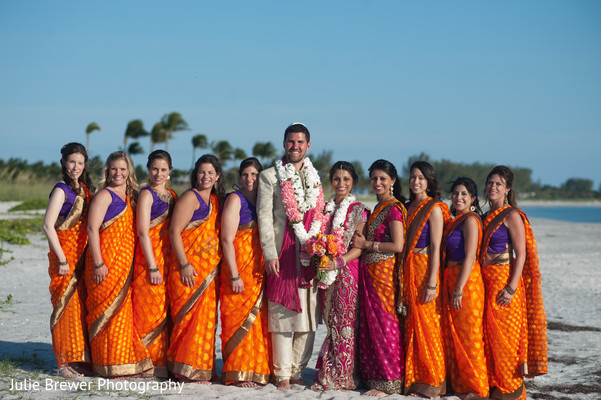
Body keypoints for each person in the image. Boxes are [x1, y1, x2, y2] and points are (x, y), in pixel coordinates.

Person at [257, 122, 324, 390]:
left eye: (300, 142)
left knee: (308, 315)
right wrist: (269, 253)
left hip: (309, 252)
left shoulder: (315, 177)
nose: (295, 146)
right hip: (282, 253)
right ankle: (282, 373)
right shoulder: (269, 176)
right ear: (284, 143)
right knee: (282, 314)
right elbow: (264, 216)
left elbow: (319, 213)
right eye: (290, 141)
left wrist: (319, 246)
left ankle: (297, 370)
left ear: (308, 146)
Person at [480, 166, 547, 400]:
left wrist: (511, 287)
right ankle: (493, 385)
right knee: (487, 338)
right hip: (484, 282)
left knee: (506, 341)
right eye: (490, 183)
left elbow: (522, 253)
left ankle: (510, 391)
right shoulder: (484, 216)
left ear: (507, 189)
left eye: (498, 184)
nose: (493, 187)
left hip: (504, 284)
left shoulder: (512, 215)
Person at [85, 151, 152, 377]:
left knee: (122, 315)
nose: (118, 173)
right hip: (104, 264)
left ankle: (121, 361)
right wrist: (97, 263)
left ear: (129, 172)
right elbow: (92, 229)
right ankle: (106, 364)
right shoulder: (105, 195)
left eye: (123, 169)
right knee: (105, 314)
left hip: (124, 267)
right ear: (107, 171)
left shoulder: (130, 197)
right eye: (114, 169)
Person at [312, 161, 369, 391]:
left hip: (347, 272)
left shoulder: (359, 210)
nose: (341, 183)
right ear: (331, 181)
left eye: (346, 179)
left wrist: (339, 261)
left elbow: (358, 247)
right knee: (330, 322)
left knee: (345, 323)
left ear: (353, 181)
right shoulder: (324, 208)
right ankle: (330, 369)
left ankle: (345, 374)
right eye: (337, 179)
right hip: (325, 271)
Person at [167, 154, 224, 383]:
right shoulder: (190, 197)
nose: (206, 177)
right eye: (202, 172)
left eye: (211, 173)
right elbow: (174, 232)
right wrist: (184, 264)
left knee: (205, 321)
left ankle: (200, 369)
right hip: (187, 271)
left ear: (217, 176)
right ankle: (184, 370)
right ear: (195, 174)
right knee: (187, 320)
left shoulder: (216, 201)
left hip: (208, 274)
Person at [352, 159, 406, 397]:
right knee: (371, 327)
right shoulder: (375, 209)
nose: (377, 182)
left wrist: (367, 244)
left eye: (383, 178)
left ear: (392, 181)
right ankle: (373, 377)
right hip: (370, 275)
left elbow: (397, 245)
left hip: (384, 275)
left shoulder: (394, 208)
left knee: (386, 325)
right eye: (374, 178)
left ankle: (390, 380)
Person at [42, 142, 94, 378]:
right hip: (65, 257)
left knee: (80, 307)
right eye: (71, 162)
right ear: (63, 162)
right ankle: (64, 363)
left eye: (80, 163)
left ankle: (79, 359)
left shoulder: (84, 188)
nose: (75, 167)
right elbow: (48, 226)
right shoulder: (62, 189)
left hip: (82, 257)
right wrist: (62, 259)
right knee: (66, 307)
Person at [220, 157, 272, 387]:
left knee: (258, 321)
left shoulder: (265, 200)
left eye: (254, 175)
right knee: (237, 319)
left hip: (259, 269)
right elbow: (226, 239)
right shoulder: (235, 199)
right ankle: (238, 372)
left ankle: (257, 370)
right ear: (239, 177)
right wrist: (234, 274)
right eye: (245, 175)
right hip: (238, 268)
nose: (249, 179)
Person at [401, 160, 450, 397]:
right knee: (411, 325)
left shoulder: (435, 208)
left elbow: (436, 247)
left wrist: (433, 282)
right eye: (413, 177)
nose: (416, 182)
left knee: (427, 325)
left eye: (421, 178)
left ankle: (432, 380)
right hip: (407, 269)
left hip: (424, 268)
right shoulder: (407, 206)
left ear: (429, 181)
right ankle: (414, 379)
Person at [441, 177, 488, 399]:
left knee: (470, 336)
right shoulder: (454, 220)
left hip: (466, 282)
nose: (458, 198)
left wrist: (459, 288)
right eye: (455, 193)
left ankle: (477, 388)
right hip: (451, 278)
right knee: (455, 335)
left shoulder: (470, 220)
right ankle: (461, 385)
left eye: (463, 194)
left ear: (473, 198)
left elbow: (471, 256)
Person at [131, 150, 177, 378]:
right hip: (149, 260)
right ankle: (145, 363)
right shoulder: (146, 195)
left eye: (163, 169)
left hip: (168, 259)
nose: (158, 173)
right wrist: (152, 265)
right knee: (149, 309)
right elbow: (142, 231)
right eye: (155, 169)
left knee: (164, 310)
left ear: (170, 171)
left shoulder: (171, 194)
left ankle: (161, 363)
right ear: (148, 170)